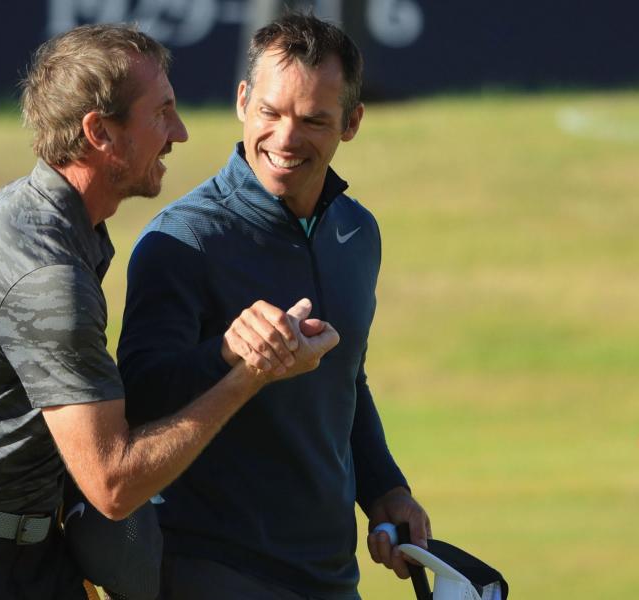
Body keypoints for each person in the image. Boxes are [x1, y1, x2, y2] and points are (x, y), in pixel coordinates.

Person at [0, 23, 340, 600]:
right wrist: (252, 372)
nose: (178, 133)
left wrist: (18, 479)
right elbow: (113, 483)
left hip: (17, 554)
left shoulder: (14, 211)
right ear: (100, 133)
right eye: (162, 114)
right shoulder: (47, 273)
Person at [117, 13, 432, 599]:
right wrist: (229, 353)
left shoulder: (357, 233)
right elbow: (137, 399)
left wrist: (386, 490)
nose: (286, 139)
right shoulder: (182, 240)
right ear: (242, 102)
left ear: (353, 122)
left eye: (314, 120)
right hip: (208, 567)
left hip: (329, 574)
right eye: (271, 112)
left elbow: (345, 380)